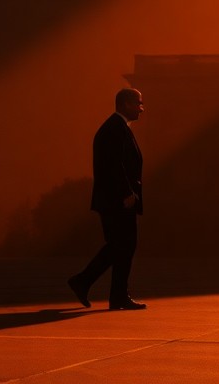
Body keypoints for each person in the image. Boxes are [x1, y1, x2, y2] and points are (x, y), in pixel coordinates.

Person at [68, 88, 147, 310]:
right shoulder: (114, 129)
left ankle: (103, 289)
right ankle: (98, 287)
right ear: (124, 104)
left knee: (121, 246)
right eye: (138, 103)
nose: (142, 108)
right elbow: (114, 165)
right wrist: (127, 193)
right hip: (118, 201)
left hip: (117, 199)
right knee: (123, 245)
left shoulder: (118, 128)